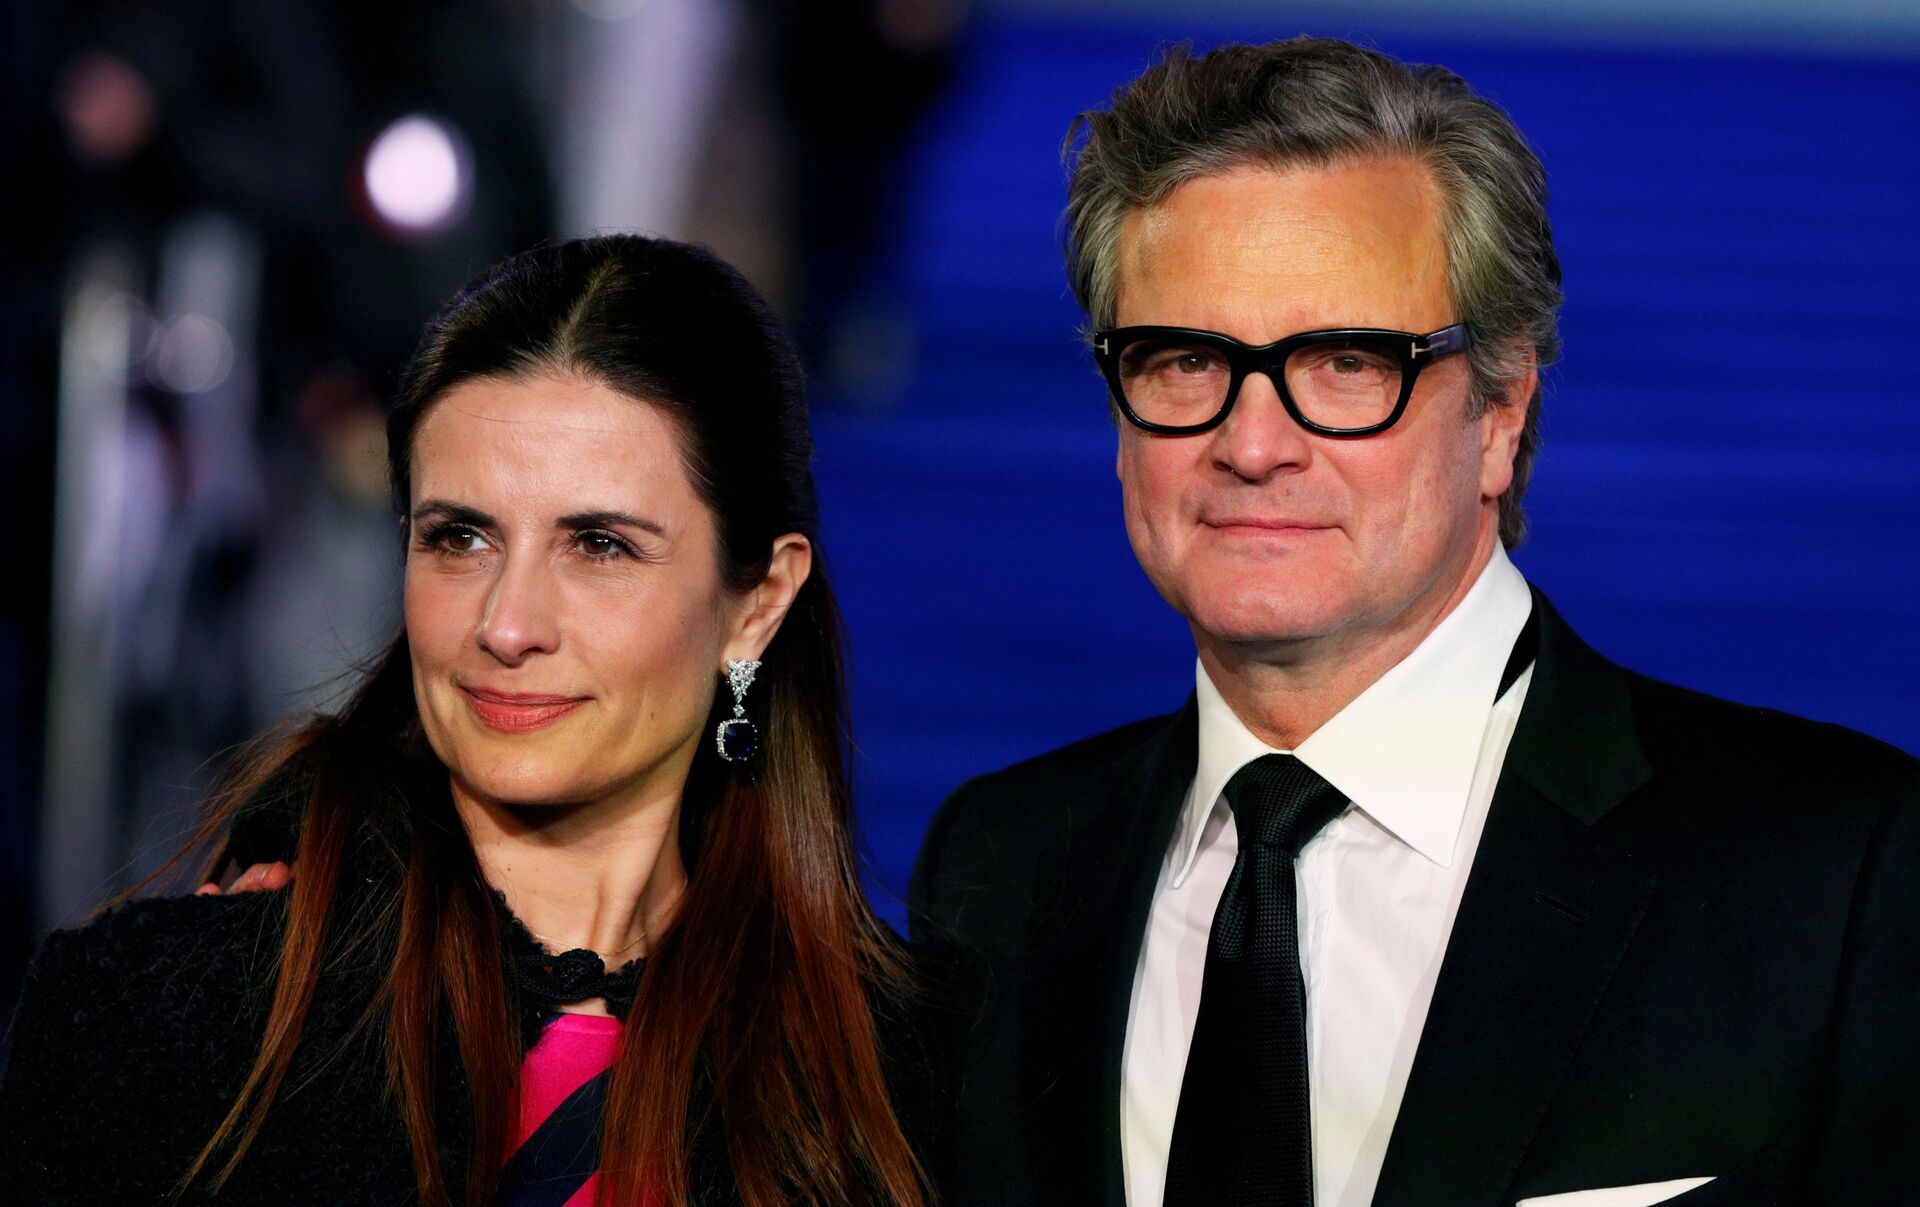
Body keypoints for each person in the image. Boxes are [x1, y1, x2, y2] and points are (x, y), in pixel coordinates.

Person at [908, 36, 1920, 1207]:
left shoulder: (1838, 871)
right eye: (1183, 359)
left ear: (1500, 415)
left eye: (1346, 362)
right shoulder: (1000, 865)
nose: (1251, 444)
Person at [1, 235, 937, 1206]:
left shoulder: (902, 1086)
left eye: (599, 545)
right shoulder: (165, 1014)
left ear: (758, 601)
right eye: (460, 537)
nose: (507, 623)